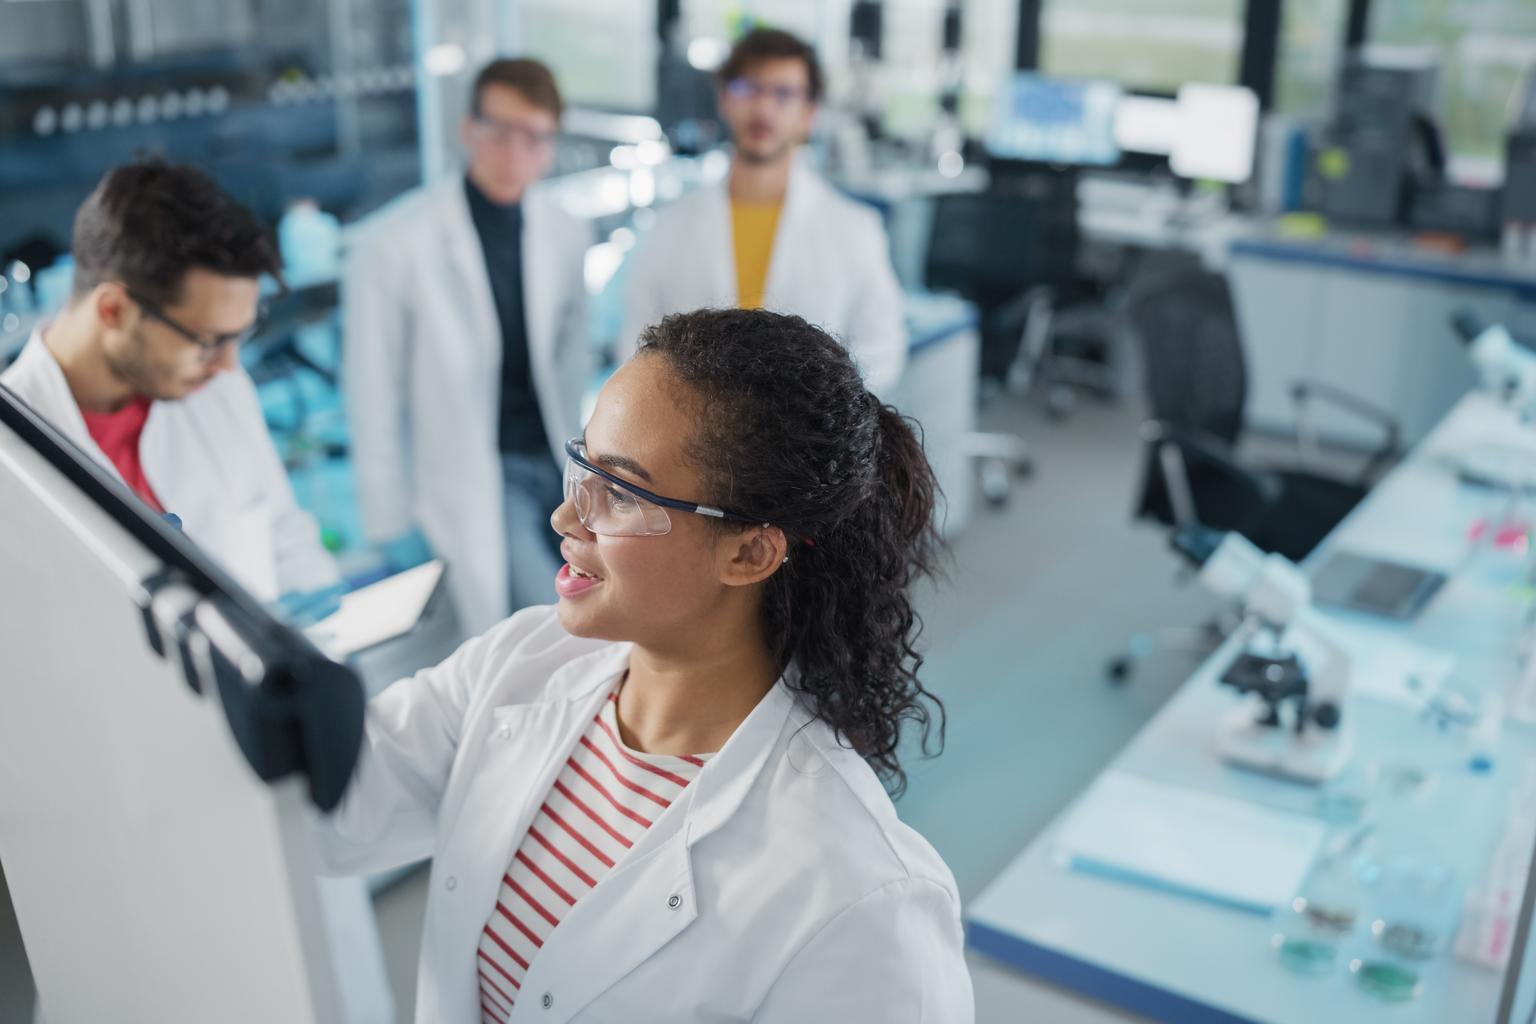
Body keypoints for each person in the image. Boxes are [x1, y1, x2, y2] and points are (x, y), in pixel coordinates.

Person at [315, 308, 973, 1022]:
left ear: (749, 553)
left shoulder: (860, 896)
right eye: (585, 466)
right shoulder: (523, 662)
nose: (567, 519)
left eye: (622, 494)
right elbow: (332, 810)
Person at [0, 159, 393, 1022]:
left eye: (238, 340)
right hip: (117, 828)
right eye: (207, 340)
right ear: (112, 309)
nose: (226, 367)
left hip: (265, 782)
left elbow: (286, 539)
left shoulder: (216, 391)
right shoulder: (13, 461)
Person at [345, 57, 591, 638]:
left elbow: (572, 359)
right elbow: (370, 393)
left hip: (556, 463)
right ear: (467, 129)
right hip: (470, 474)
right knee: (552, 623)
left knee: (601, 608)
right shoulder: (394, 245)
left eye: (532, 136)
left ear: (550, 146)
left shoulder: (565, 231)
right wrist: (388, 521)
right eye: (498, 130)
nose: (513, 151)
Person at [619, 28, 907, 393]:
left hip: (810, 444)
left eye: (783, 93)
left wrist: (821, 427)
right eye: (748, 88)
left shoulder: (855, 229)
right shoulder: (669, 227)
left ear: (809, 114)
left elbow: (881, 352)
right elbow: (636, 347)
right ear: (724, 99)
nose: (763, 107)